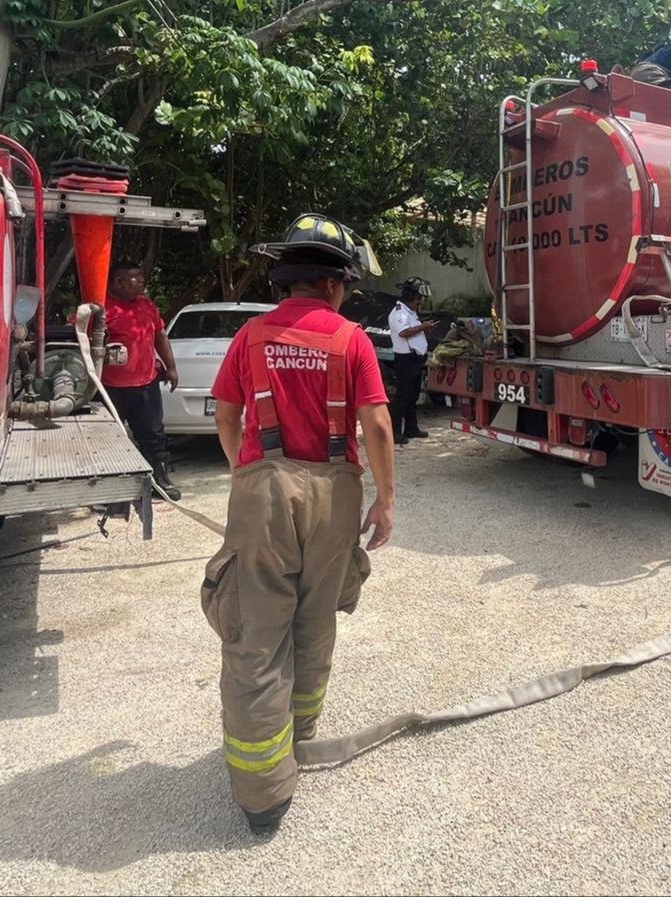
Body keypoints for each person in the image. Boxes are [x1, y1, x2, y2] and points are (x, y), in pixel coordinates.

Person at [203, 213, 396, 836]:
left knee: (257, 635)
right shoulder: (352, 340)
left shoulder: (251, 336)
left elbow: (228, 418)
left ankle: (263, 798)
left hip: (266, 491)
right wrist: (384, 501)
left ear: (286, 280)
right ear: (336, 285)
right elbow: (378, 426)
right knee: (314, 622)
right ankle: (300, 736)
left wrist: (248, 475)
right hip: (336, 494)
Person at [102, 260, 182, 500]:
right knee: (109, 438)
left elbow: (160, 335)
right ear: (118, 282)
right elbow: (78, 343)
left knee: (153, 435)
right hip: (109, 387)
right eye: (135, 277)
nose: (142, 281)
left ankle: (159, 481)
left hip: (146, 384)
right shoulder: (100, 308)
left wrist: (172, 368)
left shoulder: (146, 304)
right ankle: (109, 491)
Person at [387, 276, 438, 442]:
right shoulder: (399, 312)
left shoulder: (411, 313)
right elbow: (403, 333)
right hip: (405, 360)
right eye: (418, 298)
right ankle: (394, 432)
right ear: (410, 296)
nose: (420, 301)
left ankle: (411, 428)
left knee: (412, 396)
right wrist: (423, 327)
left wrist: (424, 328)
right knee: (403, 397)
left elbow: (412, 331)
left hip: (415, 360)